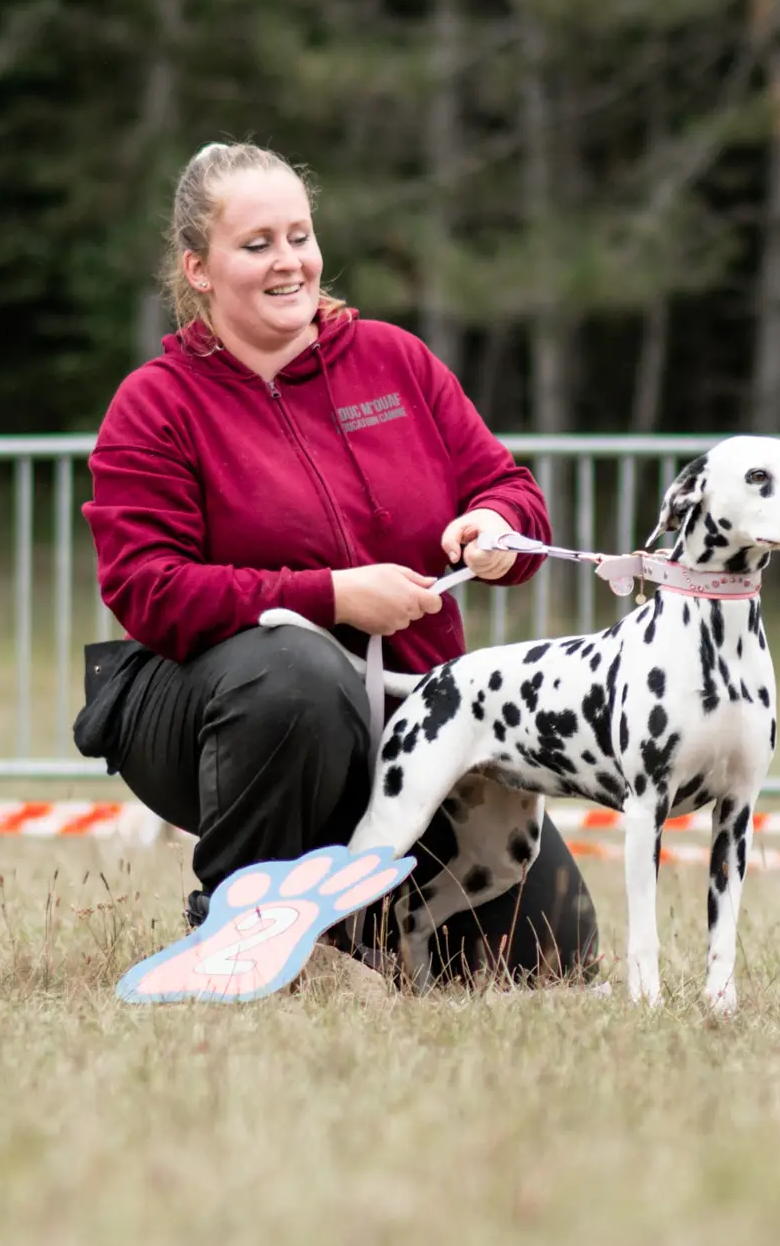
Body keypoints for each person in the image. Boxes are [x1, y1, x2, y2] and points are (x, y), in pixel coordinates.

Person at [76, 140, 600, 987]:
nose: (290, 262)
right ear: (199, 270)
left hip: (411, 717)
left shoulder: (397, 360)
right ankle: (242, 930)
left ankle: (358, 932)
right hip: (222, 711)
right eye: (257, 245)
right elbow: (148, 588)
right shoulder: (155, 403)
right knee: (295, 671)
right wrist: (331, 598)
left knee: (550, 958)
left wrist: (496, 526)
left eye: (300, 235)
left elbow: (511, 488)